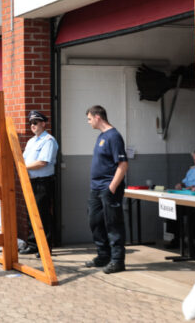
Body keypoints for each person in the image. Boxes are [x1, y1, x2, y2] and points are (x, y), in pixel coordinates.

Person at [84, 105, 128, 274]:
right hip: (96, 189)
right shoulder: (101, 137)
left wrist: (111, 188)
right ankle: (103, 255)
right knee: (95, 221)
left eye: (89, 119)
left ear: (97, 117)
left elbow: (123, 164)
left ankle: (117, 260)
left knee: (113, 224)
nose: (88, 122)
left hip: (108, 189)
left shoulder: (114, 136)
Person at [19, 111, 58, 256]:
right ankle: (33, 244)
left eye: (35, 122)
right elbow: (23, 159)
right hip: (31, 181)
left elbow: (42, 162)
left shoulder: (48, 140)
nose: (33, 126)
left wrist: (22, 167)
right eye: (31, 123)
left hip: (43, 182)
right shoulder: (31, 141)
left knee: (43, 215)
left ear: (43, 123)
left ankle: (45, 248)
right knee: (31, 214)